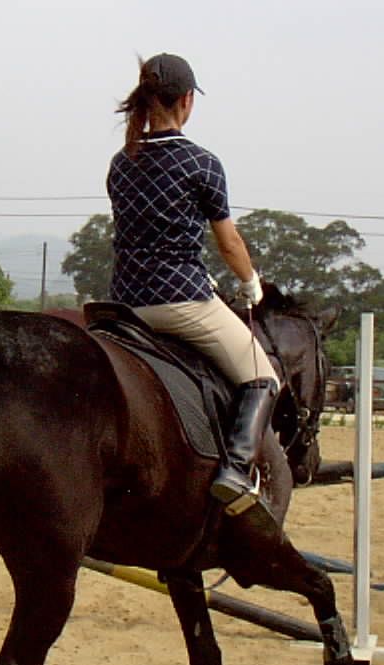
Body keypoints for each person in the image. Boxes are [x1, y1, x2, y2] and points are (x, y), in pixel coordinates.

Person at [107, 52, 280, 515]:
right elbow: (228, 244)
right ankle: (237, 469)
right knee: (263, 375)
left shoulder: (122, 163)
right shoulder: (202, 164)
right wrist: (250, 283)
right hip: (179, 300)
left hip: (122, 304)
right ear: (187, 101)